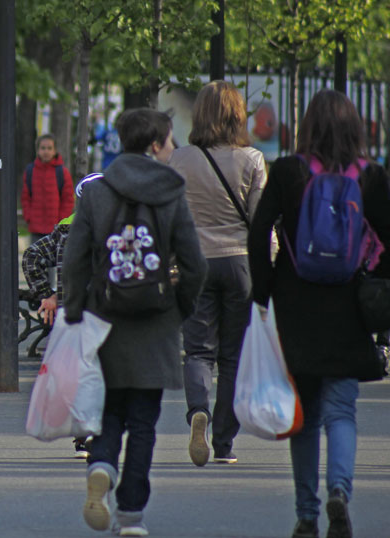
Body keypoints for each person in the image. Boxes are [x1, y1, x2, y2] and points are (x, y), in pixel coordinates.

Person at [248, 89, 390, 538]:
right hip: (350, 306)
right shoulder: (372, 177)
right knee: (342, 411)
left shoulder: (290, 171)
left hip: (296, 305)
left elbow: (258, 233)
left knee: (304, 413)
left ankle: (307, 513)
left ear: (308, 126)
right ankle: (340, 493)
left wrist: (264, 290)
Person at [62, 108, 206, 536]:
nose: (174, 147)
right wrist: (181, 306)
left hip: (104, 317)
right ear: (154, 145)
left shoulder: (96, 192)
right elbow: (195, 263)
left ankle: (102, 464)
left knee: (109, 412)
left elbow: (74, 261)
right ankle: (131, 517)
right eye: (170, 140)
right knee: (144, 422)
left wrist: (74, 311)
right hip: (156, 319)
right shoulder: (171, 193)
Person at [168, 80, 268, 467]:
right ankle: (224, 443)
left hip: (196, 261)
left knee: (197, 350)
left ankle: (199, 411)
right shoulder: (253, 160)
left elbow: (174, 217)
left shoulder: (181, 160)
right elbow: (261, 224)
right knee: (231, 358)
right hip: (239, 261)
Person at [22, 171, 102, 459]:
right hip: (106, 313)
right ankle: (100, 433)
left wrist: (46, 294)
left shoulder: (64, 229)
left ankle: (83, 437)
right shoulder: (115, 228)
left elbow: (31, 256)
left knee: (78, 374)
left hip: (71, 312)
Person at [21, 133, 75, 245]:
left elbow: (68, 199)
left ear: (55, 151)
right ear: (37, 150)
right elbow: (25, 197)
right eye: (43, 148)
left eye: (49, 148)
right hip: (35, 228)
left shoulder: (62, 172)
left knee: (54, 260)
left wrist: (62, 222)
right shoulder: (30, 171)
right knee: (35, 259)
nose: (46, 151)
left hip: (56, 229)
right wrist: (28, 217)